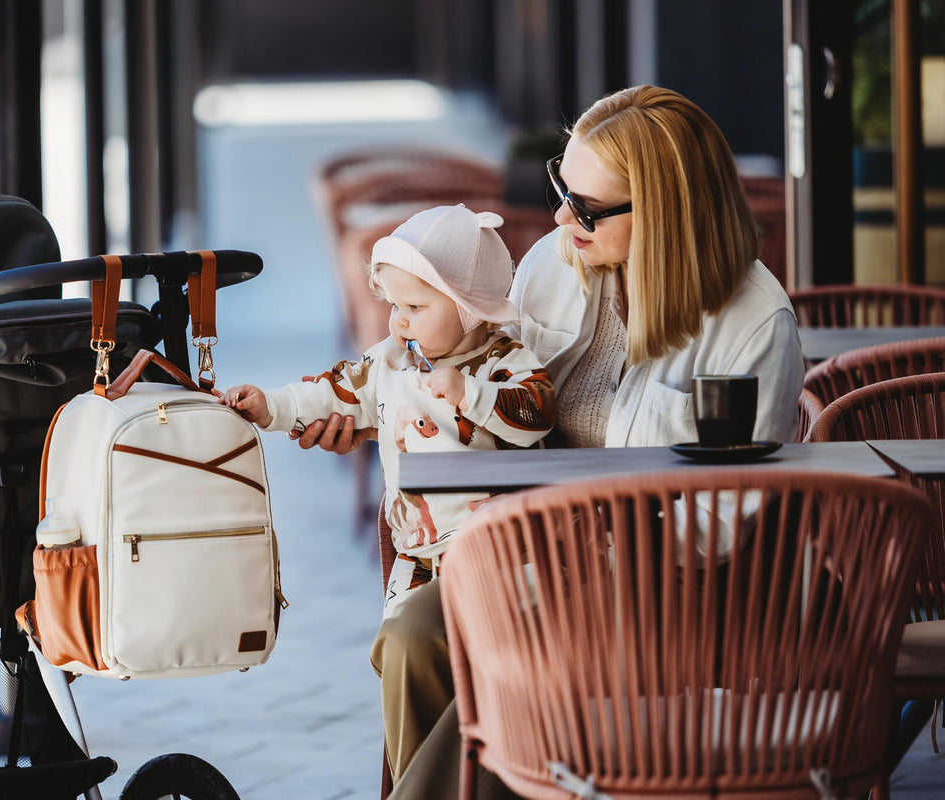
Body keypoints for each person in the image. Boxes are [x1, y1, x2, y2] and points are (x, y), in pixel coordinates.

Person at [297, 85, 804, 799]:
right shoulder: (551, 262)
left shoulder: (753, 325)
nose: (564, 216)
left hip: (663, 590)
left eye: (589, 208)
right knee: (415, 635)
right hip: (523, 555)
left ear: (667, 213)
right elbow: (461, 365)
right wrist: (373, 408)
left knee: (505, 670)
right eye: (562, 189)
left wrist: (586, 545)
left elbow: (714, 532)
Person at [221, 203, 556, 621]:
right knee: (398, 636)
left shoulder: (504, 362)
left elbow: (537, 412)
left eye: (416, 308)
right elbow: (332, 391)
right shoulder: (390, 361)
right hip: (414, 546)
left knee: (485, 639)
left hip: (500, 545)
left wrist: (469, 392)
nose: (399, 323)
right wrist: (272, 406)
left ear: (470, 311)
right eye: (395, 307)